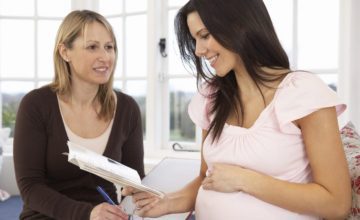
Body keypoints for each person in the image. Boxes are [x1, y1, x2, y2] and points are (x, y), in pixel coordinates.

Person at [122, 0, 352, 219]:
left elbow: (337, 203)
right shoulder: (212, 97)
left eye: (205, 36)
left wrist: (246, 180)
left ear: (239, 25)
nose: (198, 51)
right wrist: (167, 202)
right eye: (195, 40)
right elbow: (206, 178)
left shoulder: (302, 92)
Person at [13, 10, 144, 220]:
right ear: (65, 52)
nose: (105, 57)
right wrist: (87, 213)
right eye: (92, 47)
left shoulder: (127, 108)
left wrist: (138, 195)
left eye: (109, 47)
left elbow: (135, 180)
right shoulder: (36, 105)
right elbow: (30, 187)